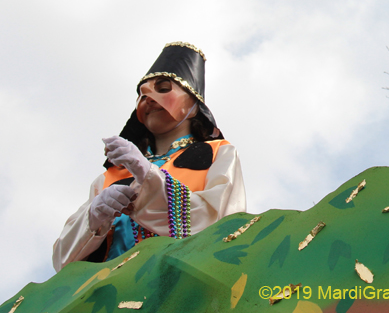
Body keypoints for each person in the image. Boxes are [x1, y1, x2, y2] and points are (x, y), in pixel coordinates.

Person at [53, 42, 246, 271]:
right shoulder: (108, 178)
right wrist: (95, 216)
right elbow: (62, 260)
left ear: (193, 104)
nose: (149, 99)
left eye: (163, 89)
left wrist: (148, 178)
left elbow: (218, 224)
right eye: (142, 95)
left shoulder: (218, 153)